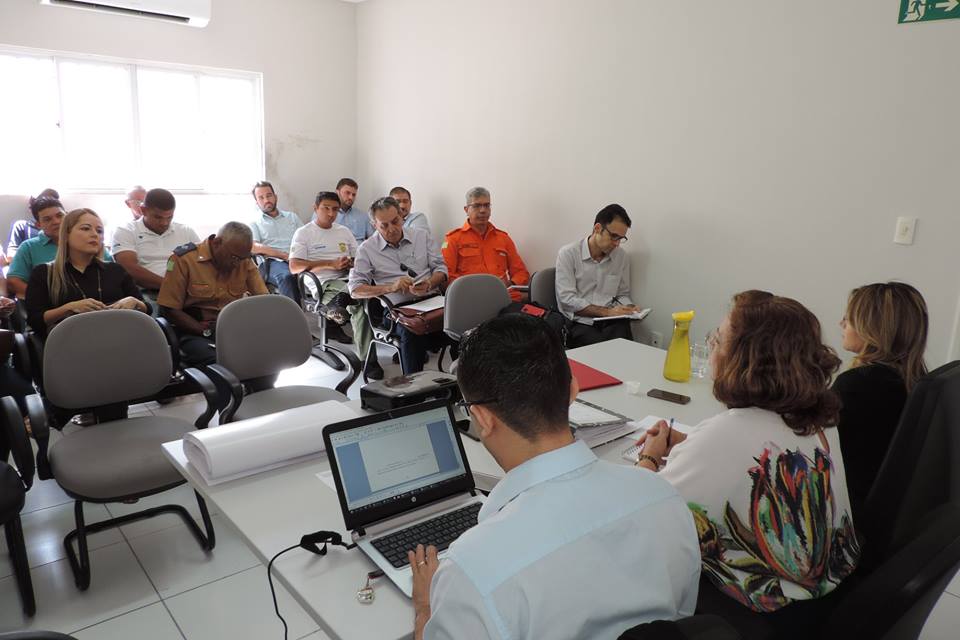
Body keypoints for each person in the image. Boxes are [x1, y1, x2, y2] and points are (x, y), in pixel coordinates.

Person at [408, 314, 701, 640]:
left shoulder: (472, 570)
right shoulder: (665, 498)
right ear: (573, 390)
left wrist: (425, 607)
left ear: (482, 418)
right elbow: (680, 617)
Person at [635, 290, 860, 638]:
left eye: (720, 339)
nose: (712, 345)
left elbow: (641, 514)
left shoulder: (728, 434)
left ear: (747, 358)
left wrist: (650, 456)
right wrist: (691, 446)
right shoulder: (819, 419)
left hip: (756, 616)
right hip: (825, 598)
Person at [834, 282, 928, 526]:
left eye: (849, 318)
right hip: (897, 520)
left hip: (853, 519)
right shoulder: (916, 380)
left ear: (871, 328)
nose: (841, 323)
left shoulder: (857, 386)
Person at [348, 197, 447, 375]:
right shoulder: (367, 249)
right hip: (397, 310)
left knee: (464, 326)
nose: (392, 229)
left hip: (432, 301)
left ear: (402, 216)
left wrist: (430, 283)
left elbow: (441, 268)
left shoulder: (421, 236)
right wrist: (390, 288)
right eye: (384, 225)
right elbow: (355, 290)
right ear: (374, 225)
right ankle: (414, 391)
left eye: (395, 222)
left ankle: (463, 385)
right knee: (410, 334)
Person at [157, 222, 269, 367]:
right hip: (194, 331)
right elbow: (170, 309)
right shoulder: (183, 260)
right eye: (234, 258)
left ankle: (261, 389)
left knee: (266, 353)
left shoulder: (243, 261)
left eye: (243, 258)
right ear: (217, 243)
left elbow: (264, 301)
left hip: (231, 328)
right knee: (220, 360)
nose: (238, 263)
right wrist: (205, 331)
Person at [25, 209, 146, 338]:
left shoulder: (115, 270)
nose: (94, 234)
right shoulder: (44, 273)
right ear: (66, 234)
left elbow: (147, 309)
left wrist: (134, 302)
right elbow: (35, 320)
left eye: (99, 231)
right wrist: (69, 308)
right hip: (70, 342)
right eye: (85, 229)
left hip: (118, 337)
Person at [556, 203, 639, 347]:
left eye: (621, 238)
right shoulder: (568, 254)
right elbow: (566, 299)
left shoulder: (621, 257)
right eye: (614, 236)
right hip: (580, 322)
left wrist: (629, 308)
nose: (617, 244)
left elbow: (621, 294)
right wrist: (606, 312)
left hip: (611, 320)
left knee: (626, 348)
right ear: (597, 229)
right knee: (603, 352)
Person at [8, 197, 115, 298]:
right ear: (38, 225)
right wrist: (44, 299)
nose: (56, 222)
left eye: (60, 215)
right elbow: (14, 281)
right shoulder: (29, 247)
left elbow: (112, 274)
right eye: (47, 219)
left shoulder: (89, 242)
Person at [112, 188, 199, 307]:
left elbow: (202, 263)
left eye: (169, 217)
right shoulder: (126, 231)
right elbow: (128, 269)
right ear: (143, 210)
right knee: (153, 314)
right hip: (147, 293)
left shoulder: (186, 231)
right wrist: (171, 286)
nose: (164, 223)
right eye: (158, 217)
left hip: (187, 291)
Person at [442, 187, 529, 302]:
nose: (483, 210)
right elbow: (446, 276)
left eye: (487, 205)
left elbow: (520, 272)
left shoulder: (503, 238)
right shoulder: (452, 239)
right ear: (466, 209)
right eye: (477, 206)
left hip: (503, 296)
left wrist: (511, 284)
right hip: (470, 299)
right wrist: (475, 289)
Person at [249, 180, 302, 302]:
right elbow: (254, 247)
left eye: (269, 195)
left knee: (326, 271)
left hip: (298, 257)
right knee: (287, 276)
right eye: (261, 198)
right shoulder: (254, 221)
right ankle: (292, 319)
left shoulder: (291, 217)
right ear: (257, 202)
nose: (266, 200)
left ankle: (332, 313)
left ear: (275, 196)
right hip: (272, 262)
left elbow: (306, 237)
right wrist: (284, 255)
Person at [5, 188, 58, 266]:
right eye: (42, 201)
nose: (48, 205)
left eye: (54, 201)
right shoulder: (21, 226)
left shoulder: (63, 226)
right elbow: (11, 256)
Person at [335, 178, 372, 244]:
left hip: (359, 251)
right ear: (337, 192)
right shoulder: (327, 214)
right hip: (335, 250)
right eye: (347, 193)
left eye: (353, 195)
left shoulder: (363, 216)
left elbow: (373, 239)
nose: (351, 197)